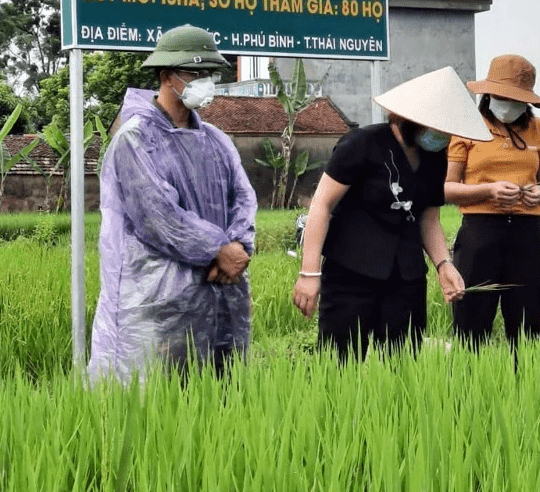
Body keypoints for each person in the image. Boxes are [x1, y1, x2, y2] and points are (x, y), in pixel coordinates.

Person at [88, 24, 257, 384]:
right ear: (166, 77)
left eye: (208, 74)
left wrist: (240, 246)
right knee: (157, 408)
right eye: (194, 74)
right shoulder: (135, 139)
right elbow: (158, 217)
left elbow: (243, 198)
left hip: (221, 290)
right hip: (159, 299)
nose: (205, 82)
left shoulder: (216, 140)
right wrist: (218, 249)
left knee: (221, 397)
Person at [291, 67, 491, 362]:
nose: (442, 136)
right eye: (436, 127)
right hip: (350, 273)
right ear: (410, 118)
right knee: (337, 365)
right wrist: (309, 273)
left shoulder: (435, 157)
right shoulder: (362, 143)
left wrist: (443, 264)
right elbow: (322, 205)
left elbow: (428, 217)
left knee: (401, 364)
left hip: (406, 277)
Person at [444, 54, 540, 351]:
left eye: (516, 98)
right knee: (471, 322)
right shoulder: (467, 127)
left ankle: (526, 388)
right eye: (502, 96)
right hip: (480, 234)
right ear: (489, 94)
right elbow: (447, 188)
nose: (508, 104)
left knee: (528, 325)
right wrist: (488, 191)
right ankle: (468, 390)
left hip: (527, 234)